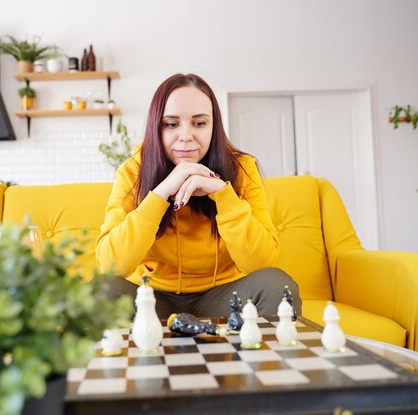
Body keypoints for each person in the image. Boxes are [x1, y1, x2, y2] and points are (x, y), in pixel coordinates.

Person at [96, 73, 302, 319]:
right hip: (152, 296)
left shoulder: (242, 168)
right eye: (171, 124)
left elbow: (261, 262)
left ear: (214, 127)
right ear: (156, 127)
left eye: (200, 123)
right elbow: (110, 265)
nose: (186, 136)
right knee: (101, 290)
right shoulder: (133, 172)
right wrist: (161, 193)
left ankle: (258, 358)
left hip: (224, 295)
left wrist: (223, 195)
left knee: (278, 285)